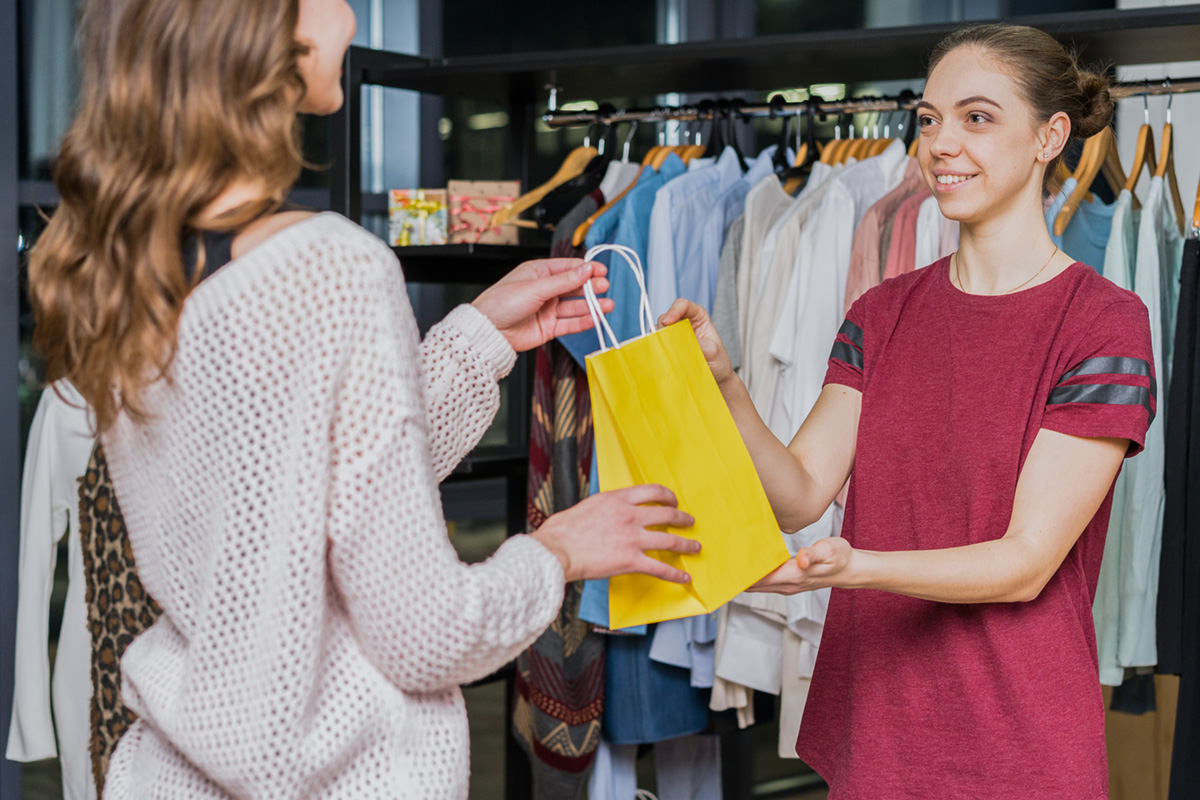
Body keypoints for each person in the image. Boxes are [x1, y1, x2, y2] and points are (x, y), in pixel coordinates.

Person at [26, 0, 700, 797]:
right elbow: (427, 633)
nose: (351, 14)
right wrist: (560, 551)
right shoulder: (330, 268)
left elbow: (283, 490)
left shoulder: (133, 265)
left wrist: (476, 335)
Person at [662, 23, 1153, 799]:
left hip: (1016, 739)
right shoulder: (881, 311)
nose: (940, 144)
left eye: (977, 118)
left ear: (1049, 136)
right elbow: (797, 494)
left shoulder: (1103, 323)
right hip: (879, 722)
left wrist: (858, 569)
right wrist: (726, 384)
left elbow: (1025, 563)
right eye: (928, 120)